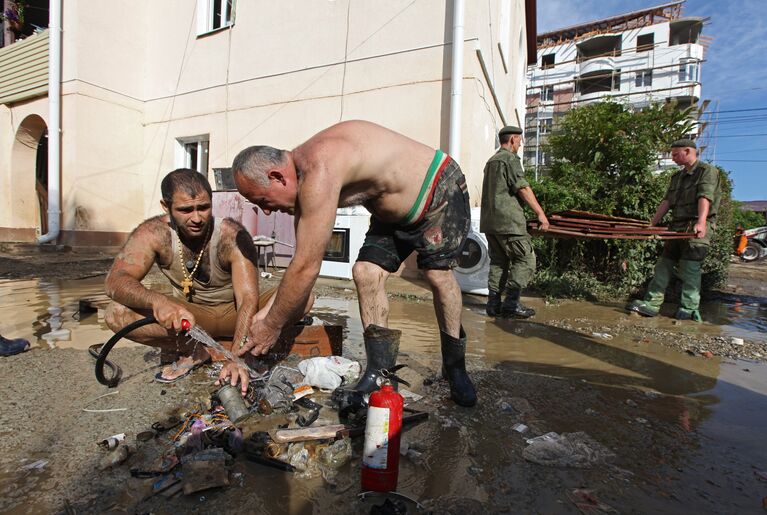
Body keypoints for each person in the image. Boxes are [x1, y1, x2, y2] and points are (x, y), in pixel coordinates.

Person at [228, 120, 477, 407]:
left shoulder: (318, 170)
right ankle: (381, 373)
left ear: (277, 177)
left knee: (437, 275)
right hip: (390, 212)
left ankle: (456, 368)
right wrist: (268, 314)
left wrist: (272, 325)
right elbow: (299, 263)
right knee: (365, 272)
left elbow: (308, 267)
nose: (268, 211)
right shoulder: (303, 177)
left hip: (437, 189)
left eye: (263, 200)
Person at [105, 168, 313, 386]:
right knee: (116, 313)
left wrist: (237, 358)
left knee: (304, 296)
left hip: (240, 314)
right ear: (166, 207)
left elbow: (247, 299)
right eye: (186, 210)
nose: (197, 218)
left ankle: (247, 352)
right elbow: (115, 280)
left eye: (203, 208)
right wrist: (158, 301)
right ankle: (195, 352)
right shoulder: (153, 233)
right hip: (192, 318)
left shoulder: (231, 235)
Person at [628, 139, 722, 322]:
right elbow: (667, 202)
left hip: (695, 227)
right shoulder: (677, 177)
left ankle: (688, 308)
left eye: (675, 154)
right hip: (676, 227)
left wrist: (701, 223)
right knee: (663, 265)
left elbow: (705, 197)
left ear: (688, 151)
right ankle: (652, 304)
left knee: (690, 268)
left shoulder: (707, 171)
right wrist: (652, 223)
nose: (673, 158)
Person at [480, 125, 549, 318]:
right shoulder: (509, 159)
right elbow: (522, 188)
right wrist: (540, 214)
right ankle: (511, 304)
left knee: (498, 262)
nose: (520, 145)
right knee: (526, 259)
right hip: (509, 222)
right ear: (512, 140)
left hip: (490, 223)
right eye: (519, 141)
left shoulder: (491, 161)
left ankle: (493, 305)